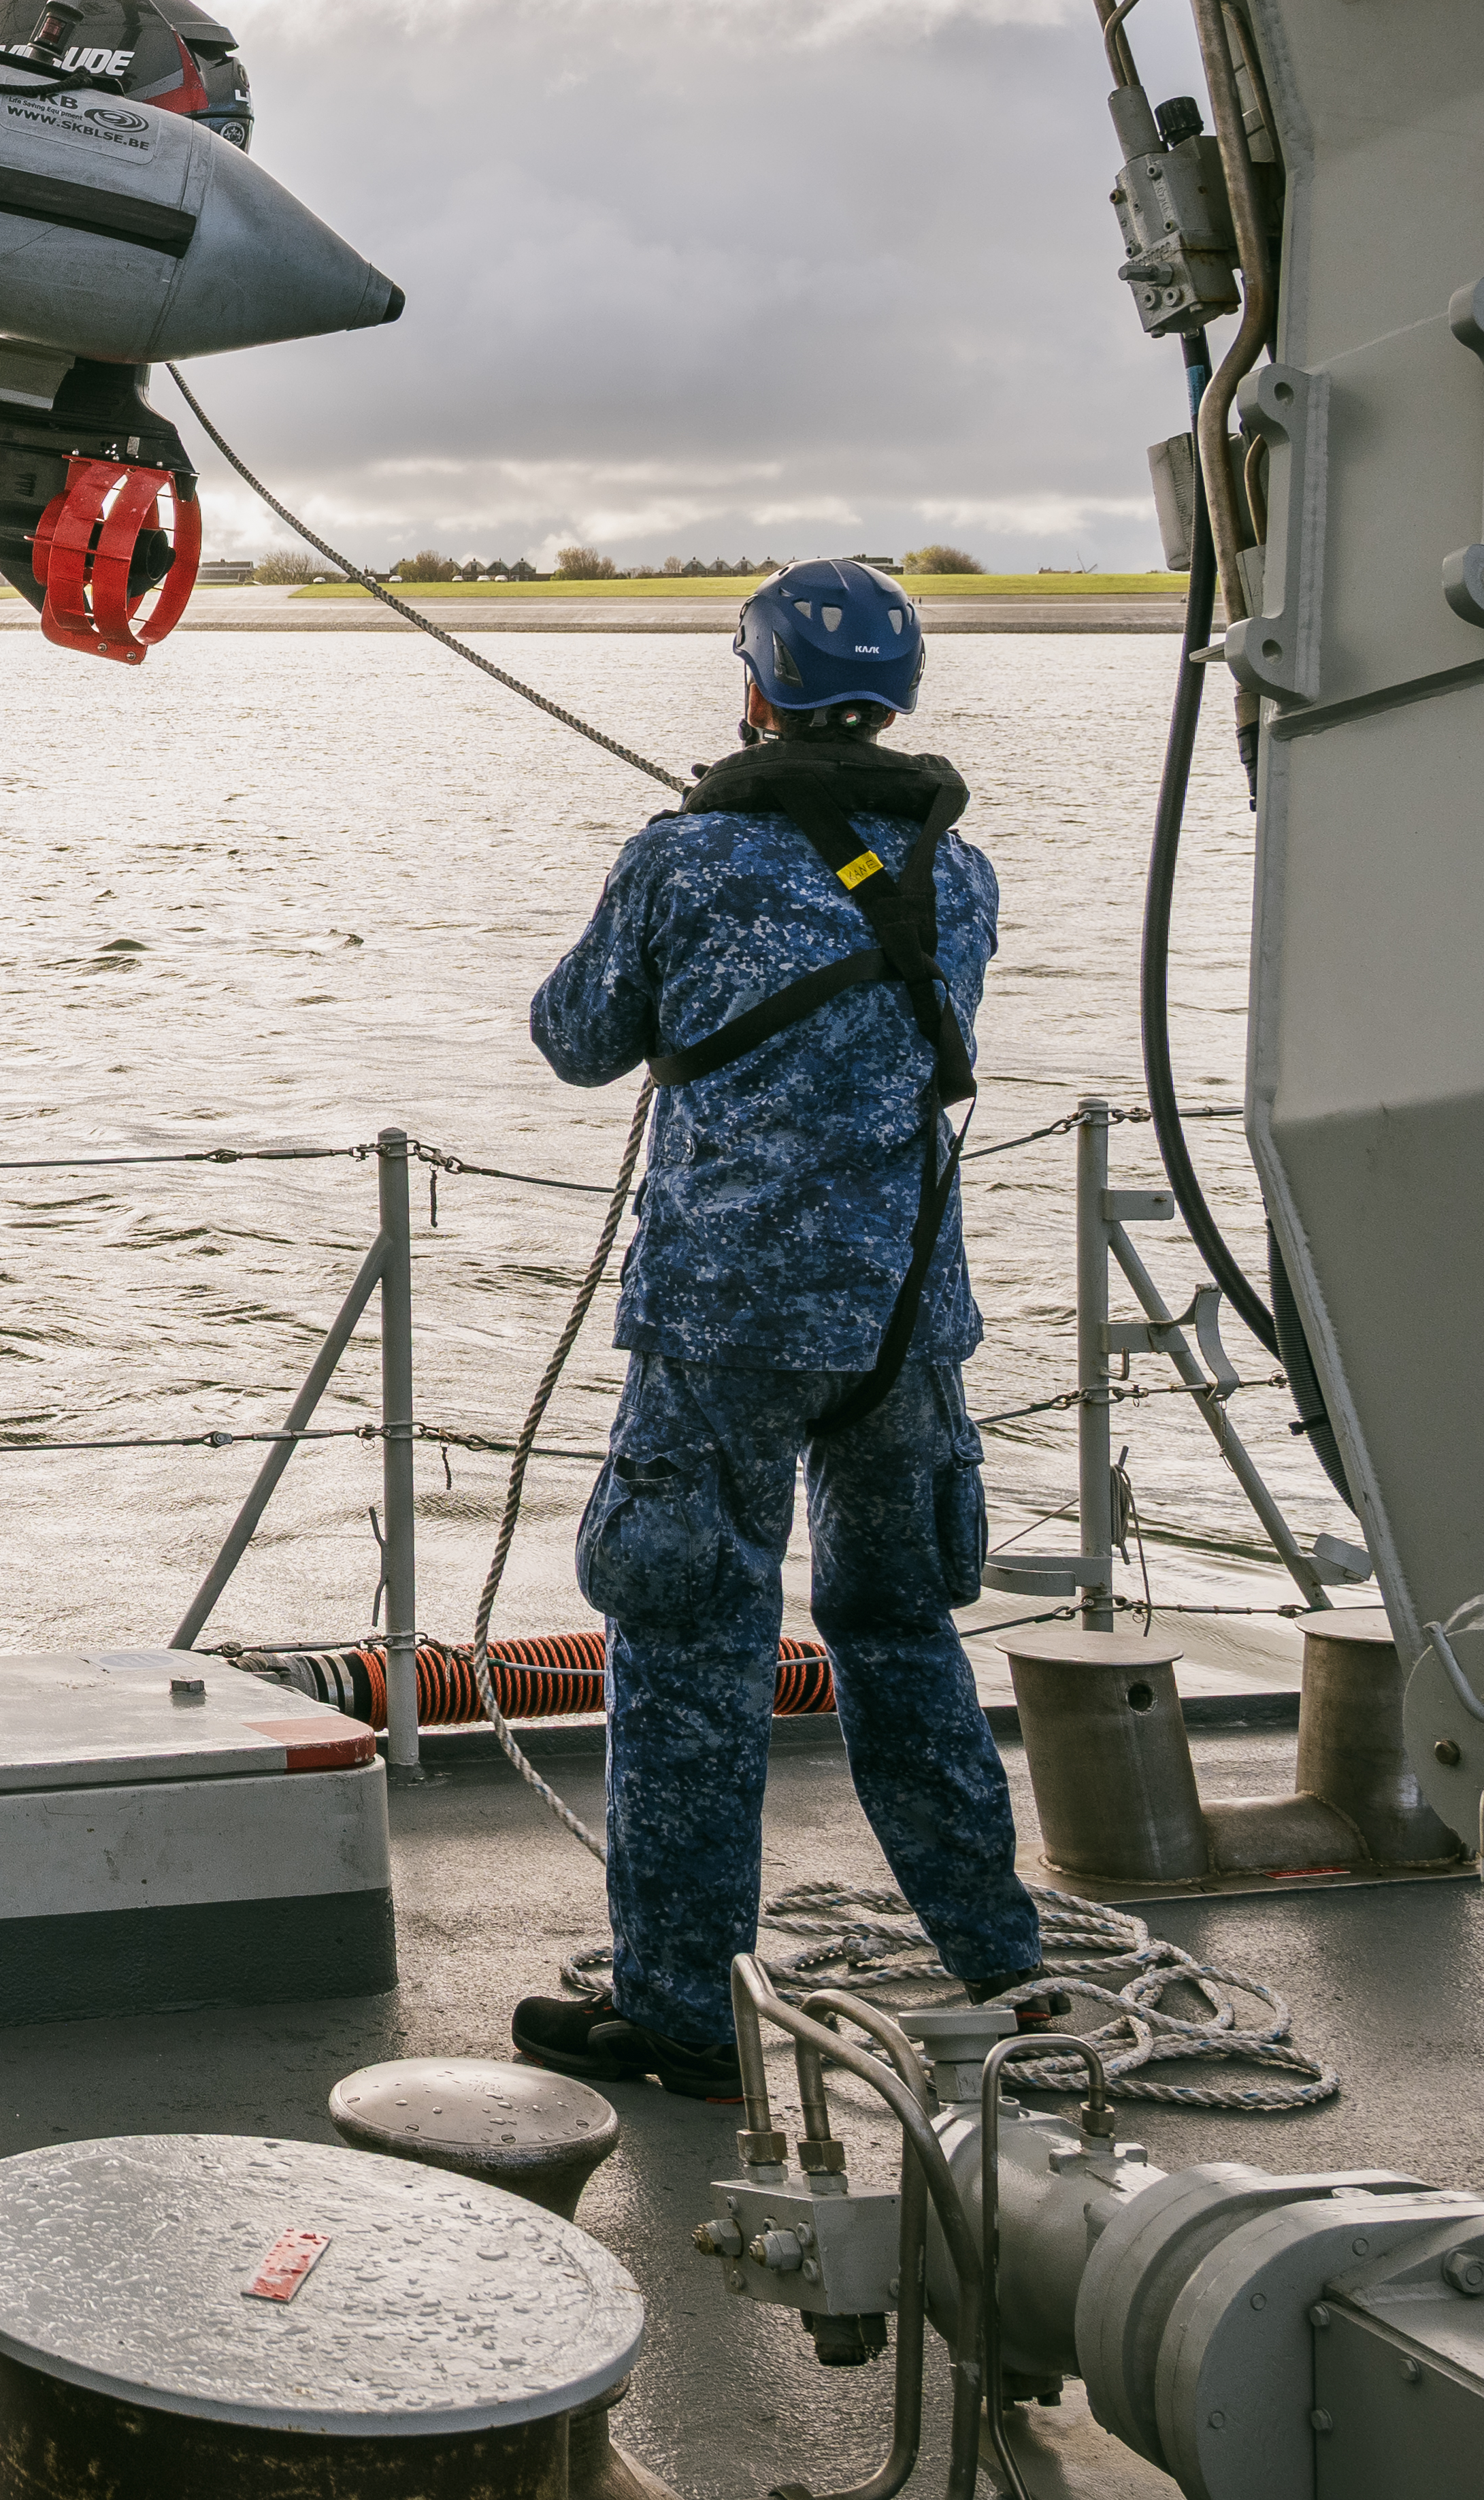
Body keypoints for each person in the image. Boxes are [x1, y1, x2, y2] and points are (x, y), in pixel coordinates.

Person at [512, 562, 1045, 2098]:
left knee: (690, 1651)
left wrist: (682, 857)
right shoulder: (958, 871)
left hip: (726, 1323)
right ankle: (1003, 1963)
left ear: (754, 685)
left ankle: (683, 2013)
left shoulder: (681, 859)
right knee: (902, 1631)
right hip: (904, 1327)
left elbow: (574, 1040)